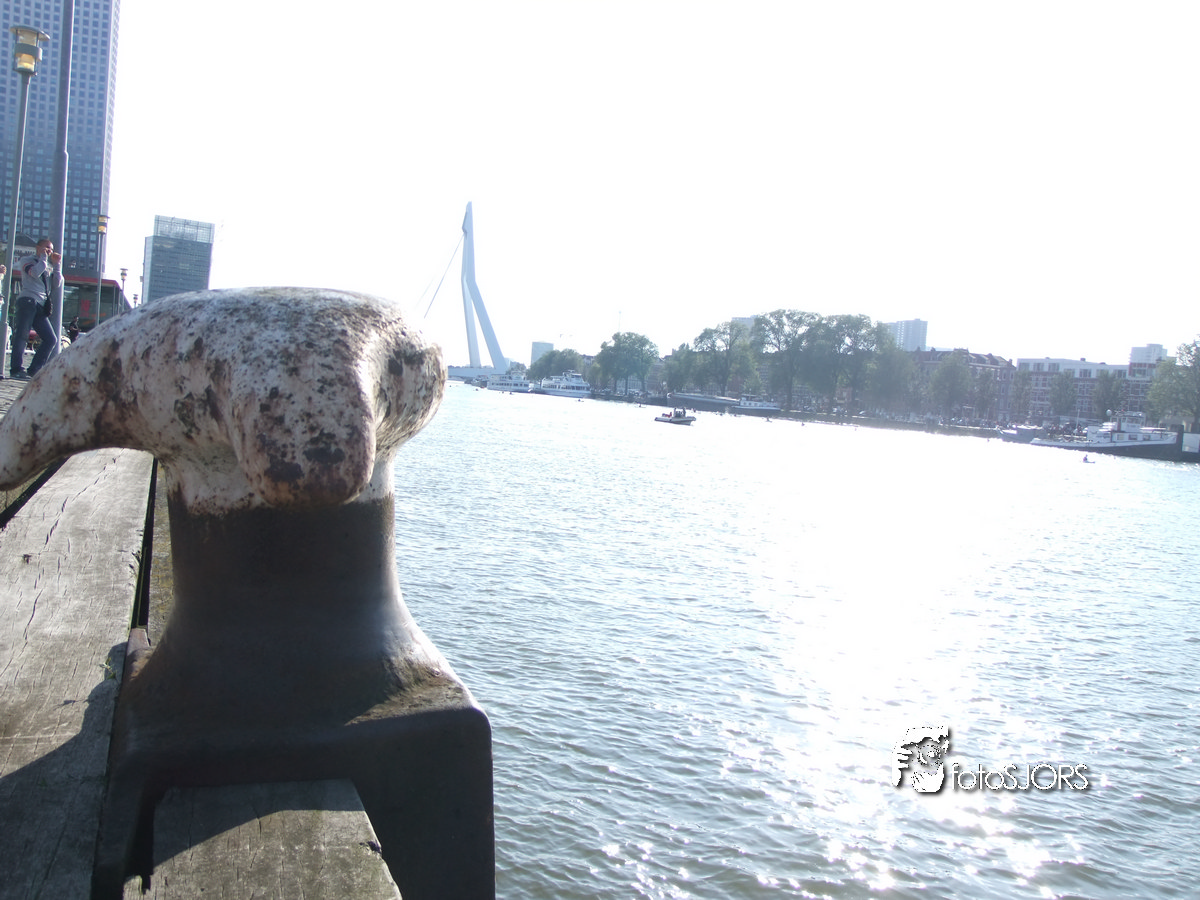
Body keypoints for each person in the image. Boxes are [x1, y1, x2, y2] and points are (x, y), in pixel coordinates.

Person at [10, 238, 62, 379]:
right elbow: (34, 272)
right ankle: (16, 369)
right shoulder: (27, 260)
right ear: (38, 247)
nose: (49, 251)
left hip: (40, 304)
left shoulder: (48, 265)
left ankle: (35, 369)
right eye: (46, 247)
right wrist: (43, 258)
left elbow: (56, 284)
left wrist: (57, 265)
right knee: (22, 334)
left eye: (51, 249)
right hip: (27, 300)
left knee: (51, 339)